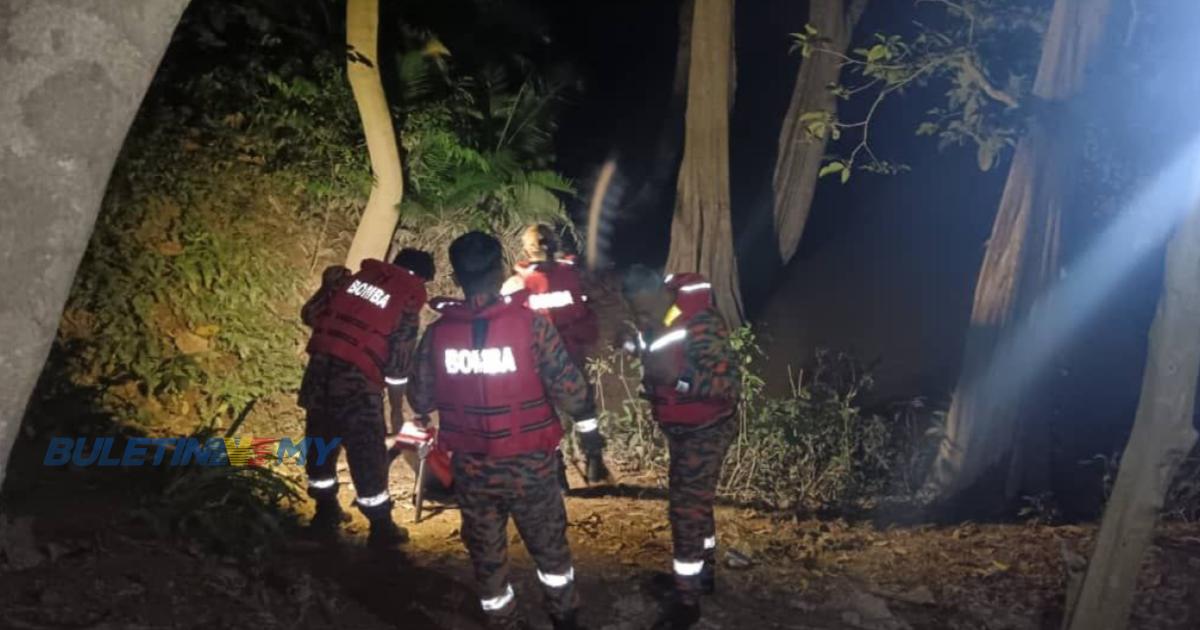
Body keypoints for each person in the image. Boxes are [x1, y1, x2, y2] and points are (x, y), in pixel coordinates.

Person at [408, 231, 603, 630]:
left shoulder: (438, 334)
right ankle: (565, 617)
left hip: (473, 470)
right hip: (530, 464)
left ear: (457, 276)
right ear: (500, 270)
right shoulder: (531, 327)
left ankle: (503, 621)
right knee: (550, 551)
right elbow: (571, 392)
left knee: (486, 555)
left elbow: (421, 397)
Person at [621, 265, 741, 630]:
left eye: (644, 310)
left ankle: (687, 601)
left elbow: (728, 384)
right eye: (635, 312)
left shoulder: (700, 322)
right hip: (681, 429)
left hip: (706, 429)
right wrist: (630, 342)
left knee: (685, 511)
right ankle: (703, 575)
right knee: (696, 504)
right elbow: (655, 346)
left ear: (663, 293)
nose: (641, 318)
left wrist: (679, 382)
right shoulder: (659, 317)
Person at [299, 248, 435, 548]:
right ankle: (381, 528)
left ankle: (325, 513)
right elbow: (398, 368)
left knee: (320, 445)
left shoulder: (353, 281)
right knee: (367, 456)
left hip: (319, 374)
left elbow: (310, 315)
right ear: (422, 278)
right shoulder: (406, 301)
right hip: (355, 387)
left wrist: (327, 286)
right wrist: (396, 410)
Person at [502, 224, 607, 486]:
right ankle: (594, 460)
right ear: (554, 244)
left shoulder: (516, 283)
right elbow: (592, 307)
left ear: (527, 248)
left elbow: (504, 322)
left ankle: (557, 472)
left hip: (537, 362)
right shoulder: (573, 275)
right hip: (571, 355)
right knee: (584, 410)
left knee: (543, 415)